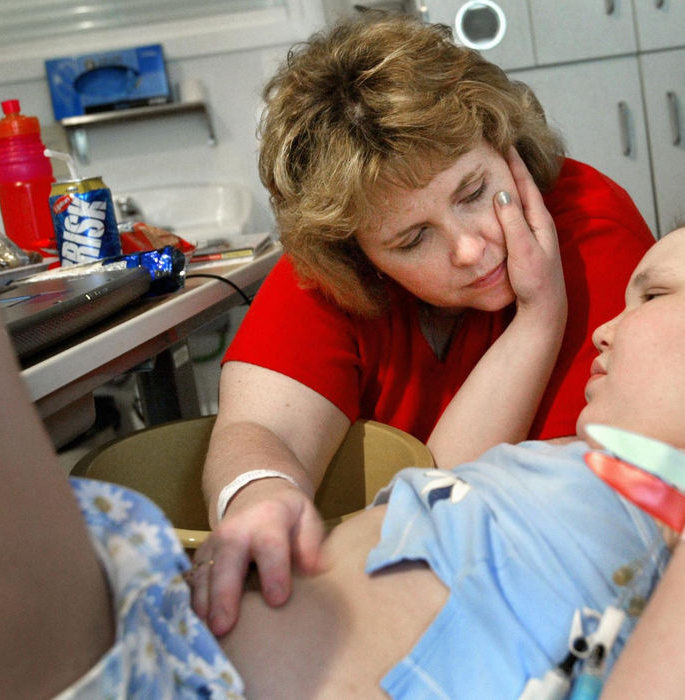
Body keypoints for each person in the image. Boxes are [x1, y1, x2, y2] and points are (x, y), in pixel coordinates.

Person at [0, 211, 685, 699]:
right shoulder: (584, 465)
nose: (605, 331)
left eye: (651, 296)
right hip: (153, 600)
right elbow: (426, 468)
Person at [199, 12, 654, 635]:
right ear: (357, 251)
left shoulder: (588, 227)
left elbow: (483, 498)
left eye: (474, 193)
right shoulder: (333, 268)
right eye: (413, 239)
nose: (470, 250)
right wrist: (259, 495)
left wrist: (539, 318)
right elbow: (257, 428)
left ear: (503, 142)